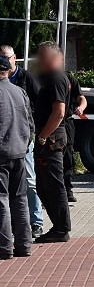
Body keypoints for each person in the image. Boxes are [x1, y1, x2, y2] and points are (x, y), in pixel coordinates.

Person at [1, 45, 44, 238]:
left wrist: (30, 140)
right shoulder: (16, 89)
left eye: (7, 57)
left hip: (16, 145)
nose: (6, 60)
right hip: (18, 145)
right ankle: (23, 239)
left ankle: (34, 222)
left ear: (14, 58)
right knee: (17, 194)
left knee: (27, 184)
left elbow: (34, 111)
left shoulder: (26, 79)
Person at [33, 42, 72, 244]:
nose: (39, 61)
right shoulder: (54, 78)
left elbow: (59, 113)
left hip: (52, 138)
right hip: (51, 136)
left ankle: (61, 228)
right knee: (43, 186)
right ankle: (58, 227)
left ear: (54, 58)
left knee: (54, 185)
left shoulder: (57, 78)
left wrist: (42, 137)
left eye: (42, 57)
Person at [0, 55, 35, 259]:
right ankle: (24, 245)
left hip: (2, 154)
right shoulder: (19, 92)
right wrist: (24, 144)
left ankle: (4, 247)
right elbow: (30, 124)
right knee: (20, 199)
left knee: (2, 199)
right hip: (19, 152)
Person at [63, 72, 86, 203]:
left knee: (68, 157)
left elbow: (81, 98)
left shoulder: (69, 78)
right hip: (50, 122)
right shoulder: (43, 77)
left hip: (67, 122)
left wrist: (81, 107)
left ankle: (68, 189)